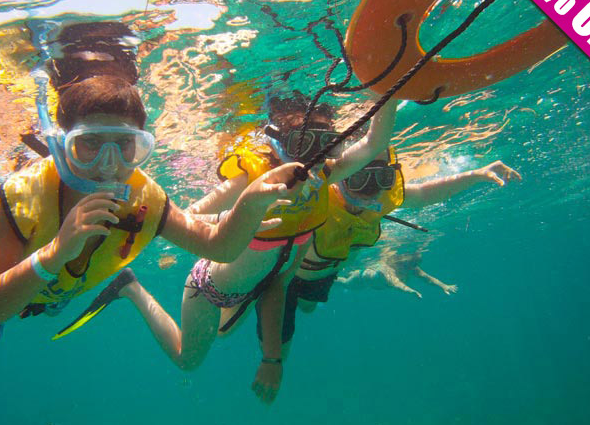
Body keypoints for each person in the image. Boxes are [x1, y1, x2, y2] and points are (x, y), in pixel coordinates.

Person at [0, 23, 298, 369]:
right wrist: (56, 250)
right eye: (88, 144)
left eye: (126, 146)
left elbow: (217, 246)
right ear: (61, 147)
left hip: (57, 292)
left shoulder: (145, 197)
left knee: (51, 302)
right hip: (18, 274)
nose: (109, 165)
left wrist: (249, 203)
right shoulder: (23, 194)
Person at [72, 90, 399, 403]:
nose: (312, 157)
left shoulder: (323, 181)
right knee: (188, 360)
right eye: (302, 143)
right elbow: (186, 217)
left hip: (258, 286)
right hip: (208, 289)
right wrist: (235, 218)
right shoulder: (252, 176)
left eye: (325, 145)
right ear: (278, 143)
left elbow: (374, 143)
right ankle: (131, 288)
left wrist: (390, 90)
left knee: (225, 334)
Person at [256, 151, 520, 363]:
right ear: (342, 172)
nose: (369, 187)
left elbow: (427, 193)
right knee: (279, 331)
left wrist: (477, 174)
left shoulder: (383, 200)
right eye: (359, 176)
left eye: (381, 177)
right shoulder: (316, 195)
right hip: (288, 275)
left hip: (323, 276)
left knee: (309, 308)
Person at [336, 251, 456, 298]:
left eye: (416, 264)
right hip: (362, 279)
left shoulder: (412, 268)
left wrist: (444, 286)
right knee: (345, 283)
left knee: (347, 283)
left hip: (374, 284)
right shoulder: (388, 269)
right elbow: (396, 284)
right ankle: (330, 277)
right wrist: (411, 291)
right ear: (406, 261)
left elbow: (427, 278)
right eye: (413, 263)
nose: (415, 267)